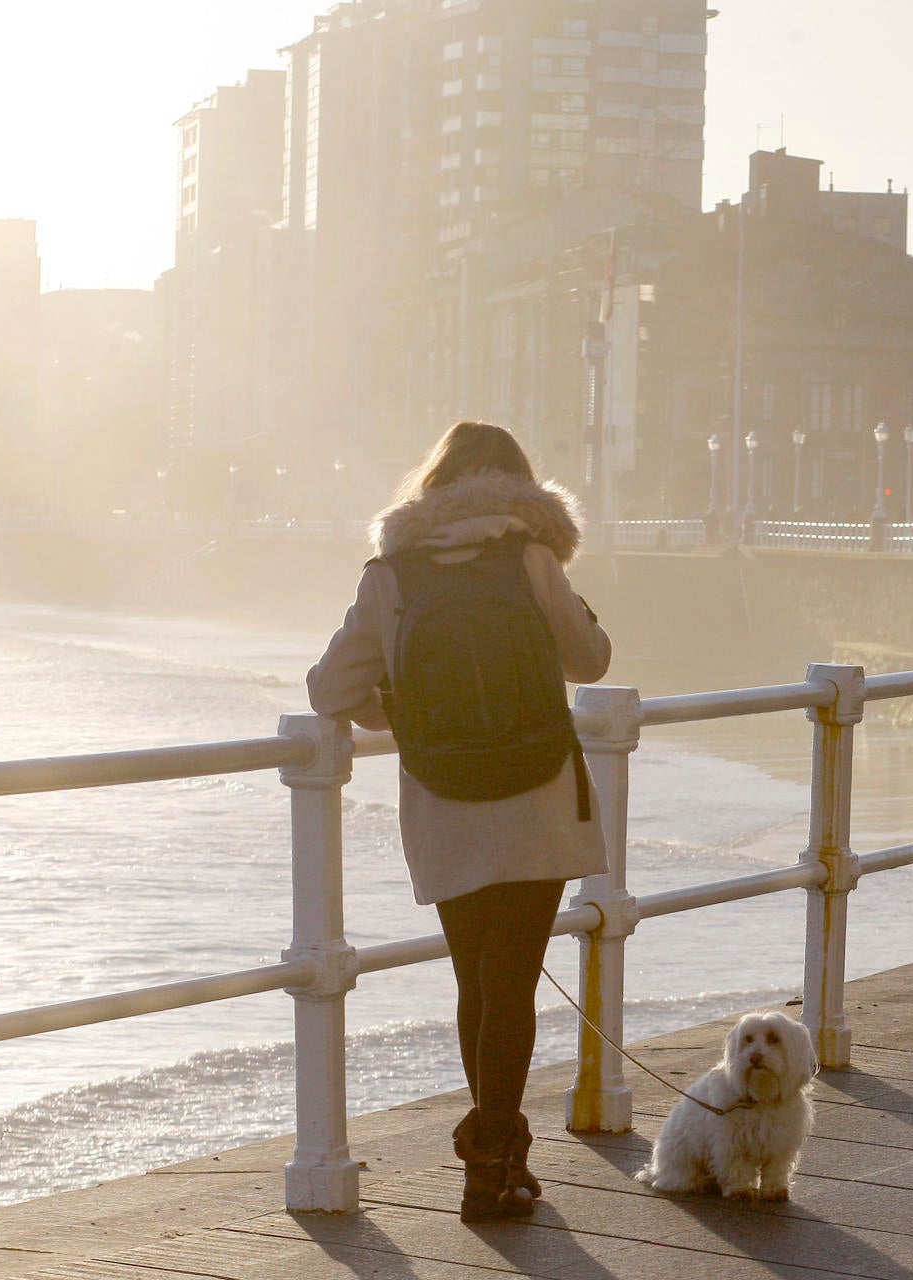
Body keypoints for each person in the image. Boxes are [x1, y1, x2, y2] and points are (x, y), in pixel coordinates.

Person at [307, 422, 611, 1220]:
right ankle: (493, 1165)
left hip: (445, 800)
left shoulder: (391, 573)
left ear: (434, 485)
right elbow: (590, 661)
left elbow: (329, 693)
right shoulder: (531, 556)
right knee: (513, 983)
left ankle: (498, 1156)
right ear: (522, 488)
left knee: (476, 983)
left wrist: (408, 715)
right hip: (536, 797)